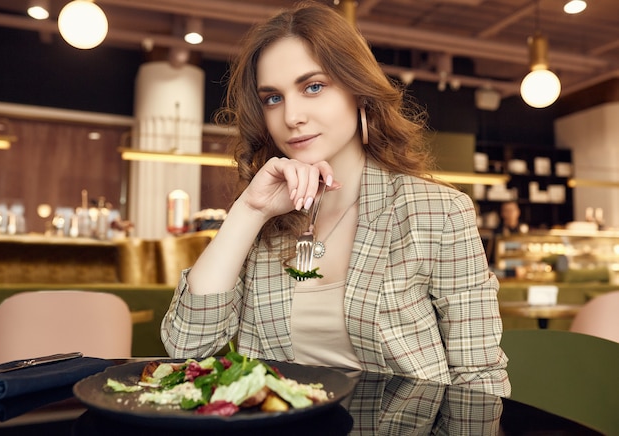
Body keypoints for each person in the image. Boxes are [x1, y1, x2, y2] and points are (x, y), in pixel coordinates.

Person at [161, 1, 510, 398]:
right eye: (273, 98)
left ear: (358, 91)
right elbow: (186, 348)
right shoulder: (266, 215)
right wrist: (249, 212)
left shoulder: (437, 212)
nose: (291, 115)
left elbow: (478, 375)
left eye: (313, 87)